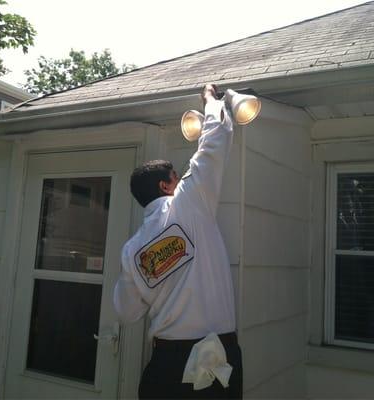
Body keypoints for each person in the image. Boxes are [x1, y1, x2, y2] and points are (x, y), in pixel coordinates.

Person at [113, 84, 242, 399]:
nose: (180, 178)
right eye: (175, 174)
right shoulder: (188, 202)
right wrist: (211, 100)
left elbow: (127, 312)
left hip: (166, 367)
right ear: (166, 186)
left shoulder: (133, 250)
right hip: (216, 361)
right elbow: (216, 139)